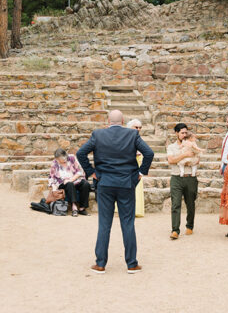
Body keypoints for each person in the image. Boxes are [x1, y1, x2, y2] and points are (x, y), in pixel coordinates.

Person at [77, 110, 154, 274]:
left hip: (104, 183)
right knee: (127, 223)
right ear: (123, 120)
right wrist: (140, 173)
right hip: (126, 183)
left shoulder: (98, 134)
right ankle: (132, 264)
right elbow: (149, 153)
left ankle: (100, 263)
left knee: (104, 224)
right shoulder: (132, 135)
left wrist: (91, 172)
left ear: (108, 121)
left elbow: (80, 153)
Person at [167, 122, 203, 239]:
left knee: (190, 203)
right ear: (176, 133)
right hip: (176, 177)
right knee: (175, 204)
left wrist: (191, 159)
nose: (184, 135)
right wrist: (184, 156)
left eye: (185, 133)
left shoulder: (192, 144)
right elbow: (171, 160)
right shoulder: (171, 147)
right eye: (182, 133)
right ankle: (175, 230)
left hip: (190, 178)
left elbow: (197, 159)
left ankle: (189, 226)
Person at [49, 147, 90, 216]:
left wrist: (71, 179)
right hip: (63, 182)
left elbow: (80, 171)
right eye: (61, 160)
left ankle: (82, 208)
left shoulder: (72, 158)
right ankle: (74, 207)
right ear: (57, 159)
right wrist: (54, 187)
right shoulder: (54, 163)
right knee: (69, 184)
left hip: (75, 179)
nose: (64, 160)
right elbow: (51, 177)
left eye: (65, 158)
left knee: (86, 184)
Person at [127, 119, 146, 218]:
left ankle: (136, 210)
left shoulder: (139, 139)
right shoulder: (125, 137)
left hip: (138, 165)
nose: (138, 129)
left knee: (137, 188)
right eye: (136, 127)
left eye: (140, 127)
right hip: (128, 166)